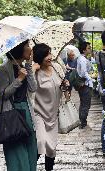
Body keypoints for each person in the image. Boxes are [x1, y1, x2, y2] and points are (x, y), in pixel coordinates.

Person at [0, 39, 39, 171]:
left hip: (26, 111)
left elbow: (33, 88)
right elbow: (3, 95)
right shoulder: (4, 69)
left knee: (31, 150)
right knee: (17, 152)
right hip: (12, 114)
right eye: (27, 45)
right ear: (18, 48)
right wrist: (19, 79)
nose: (30, 48)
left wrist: (29, 68)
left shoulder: (25, 67)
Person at [31, 43, 67, 171]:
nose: (50, 57)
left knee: (51, 148)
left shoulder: (56, 67)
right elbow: (31, 89)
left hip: (53, 113)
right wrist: (32, 71)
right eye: (46, 55)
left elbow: (62, 85)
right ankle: (30, 167)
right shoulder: (35, 72)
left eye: (50, 53)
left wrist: (65, 85)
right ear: (39, 57)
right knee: (40, 142)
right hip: (39, 113)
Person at [77, 41, 93, 129]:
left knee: (83, 103)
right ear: (84, 50)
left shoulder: (82, 58)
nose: (90, 49)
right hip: (86, 84)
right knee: (86, 104)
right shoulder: (82, 59)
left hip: (83, 84)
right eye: (88, 48)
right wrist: (90, 78)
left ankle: (82, 121)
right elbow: (83, 73)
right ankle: (83, 122)